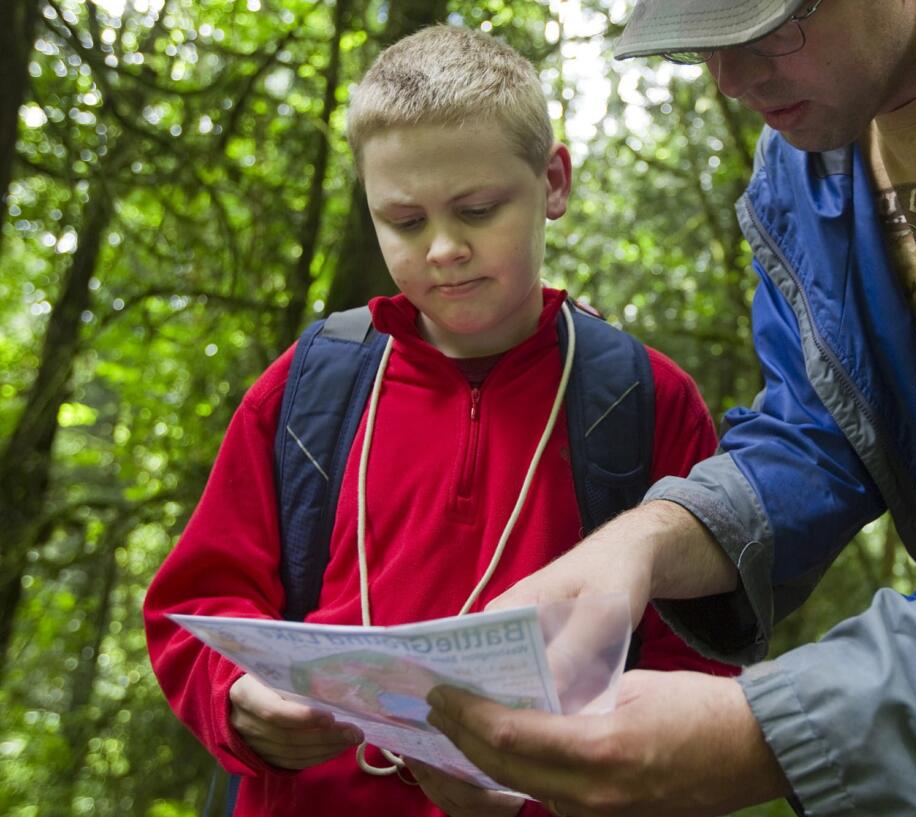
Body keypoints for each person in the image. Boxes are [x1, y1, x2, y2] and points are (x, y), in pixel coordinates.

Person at [423, 1, 916, 816]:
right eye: (703, 44)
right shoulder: (804, 168)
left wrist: (772, 733)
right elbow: (817, 433)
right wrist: (641, 544)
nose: (731, 80)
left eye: (767, 24)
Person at [142, 24, 736, 817]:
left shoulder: (640, 401)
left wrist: (539, 803)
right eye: (406, 221)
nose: (446, 248)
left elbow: (693, 685)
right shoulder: (311, 386)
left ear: (553, 183)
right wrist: (239, 699)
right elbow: (197, 606)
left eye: (478, 209)